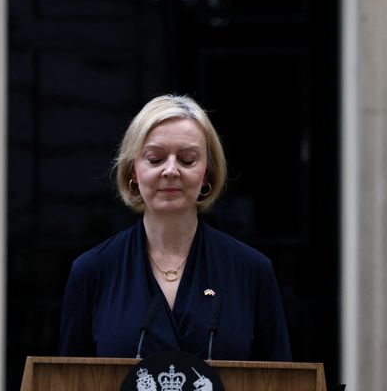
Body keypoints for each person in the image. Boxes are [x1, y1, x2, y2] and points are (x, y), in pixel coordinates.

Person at [57, 94, 292, 361]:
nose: (171, 170)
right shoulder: (92, 270)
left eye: (188, 160)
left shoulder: (252, 271)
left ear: (208, 173)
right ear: (133, 171)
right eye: (155, 159)